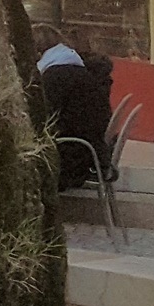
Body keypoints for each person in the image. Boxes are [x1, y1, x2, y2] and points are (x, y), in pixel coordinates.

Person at [33, 24, 115, 191]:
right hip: (86, 154)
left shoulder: (55, 76)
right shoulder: (73, 68)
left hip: (70, 161)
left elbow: (42, 118)